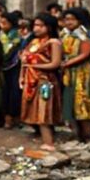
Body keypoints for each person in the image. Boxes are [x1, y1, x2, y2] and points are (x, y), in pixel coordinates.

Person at [20, 13, 63, 151]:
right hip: (30, 79)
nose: (36, 28)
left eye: (40, 25)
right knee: (33, 110)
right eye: (35, 25)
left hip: (45, 80)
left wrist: (34, 66)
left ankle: (48, 143)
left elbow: (55, 63)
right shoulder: (33, 42)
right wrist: (22, 75)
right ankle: (42, 137)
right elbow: (24, 60)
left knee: (43, 112)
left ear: (49, 27)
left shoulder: (54, 42)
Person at [61, 7, 90, 143]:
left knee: (82, 103)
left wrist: (67, 63)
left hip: (81, 73)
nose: (68, 22)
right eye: (66, 19)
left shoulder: (85, 35)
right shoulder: (64, 34)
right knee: (69, 103)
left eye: (72, 19)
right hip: (67, 74)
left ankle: (88, 136)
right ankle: (76, 135)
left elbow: (85, 54)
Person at [0, 11, 23, 129]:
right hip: (1, 67)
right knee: (4, 92)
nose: (2, 25)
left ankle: (15, 118)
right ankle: (6, 118)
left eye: (5, 23)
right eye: (1, 22)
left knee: (15, 93)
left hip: (16, 67)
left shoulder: (18, 37)